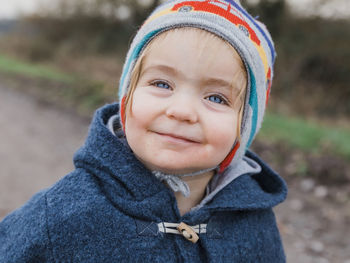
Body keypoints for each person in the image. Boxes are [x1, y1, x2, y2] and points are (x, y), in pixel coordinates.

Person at [0, 0, 287, 262]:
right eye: (162, 84)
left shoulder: (254, 222)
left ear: (244, 125)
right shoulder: (62, 215)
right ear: (128, 97)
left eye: (216, 98)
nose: (182, 111)